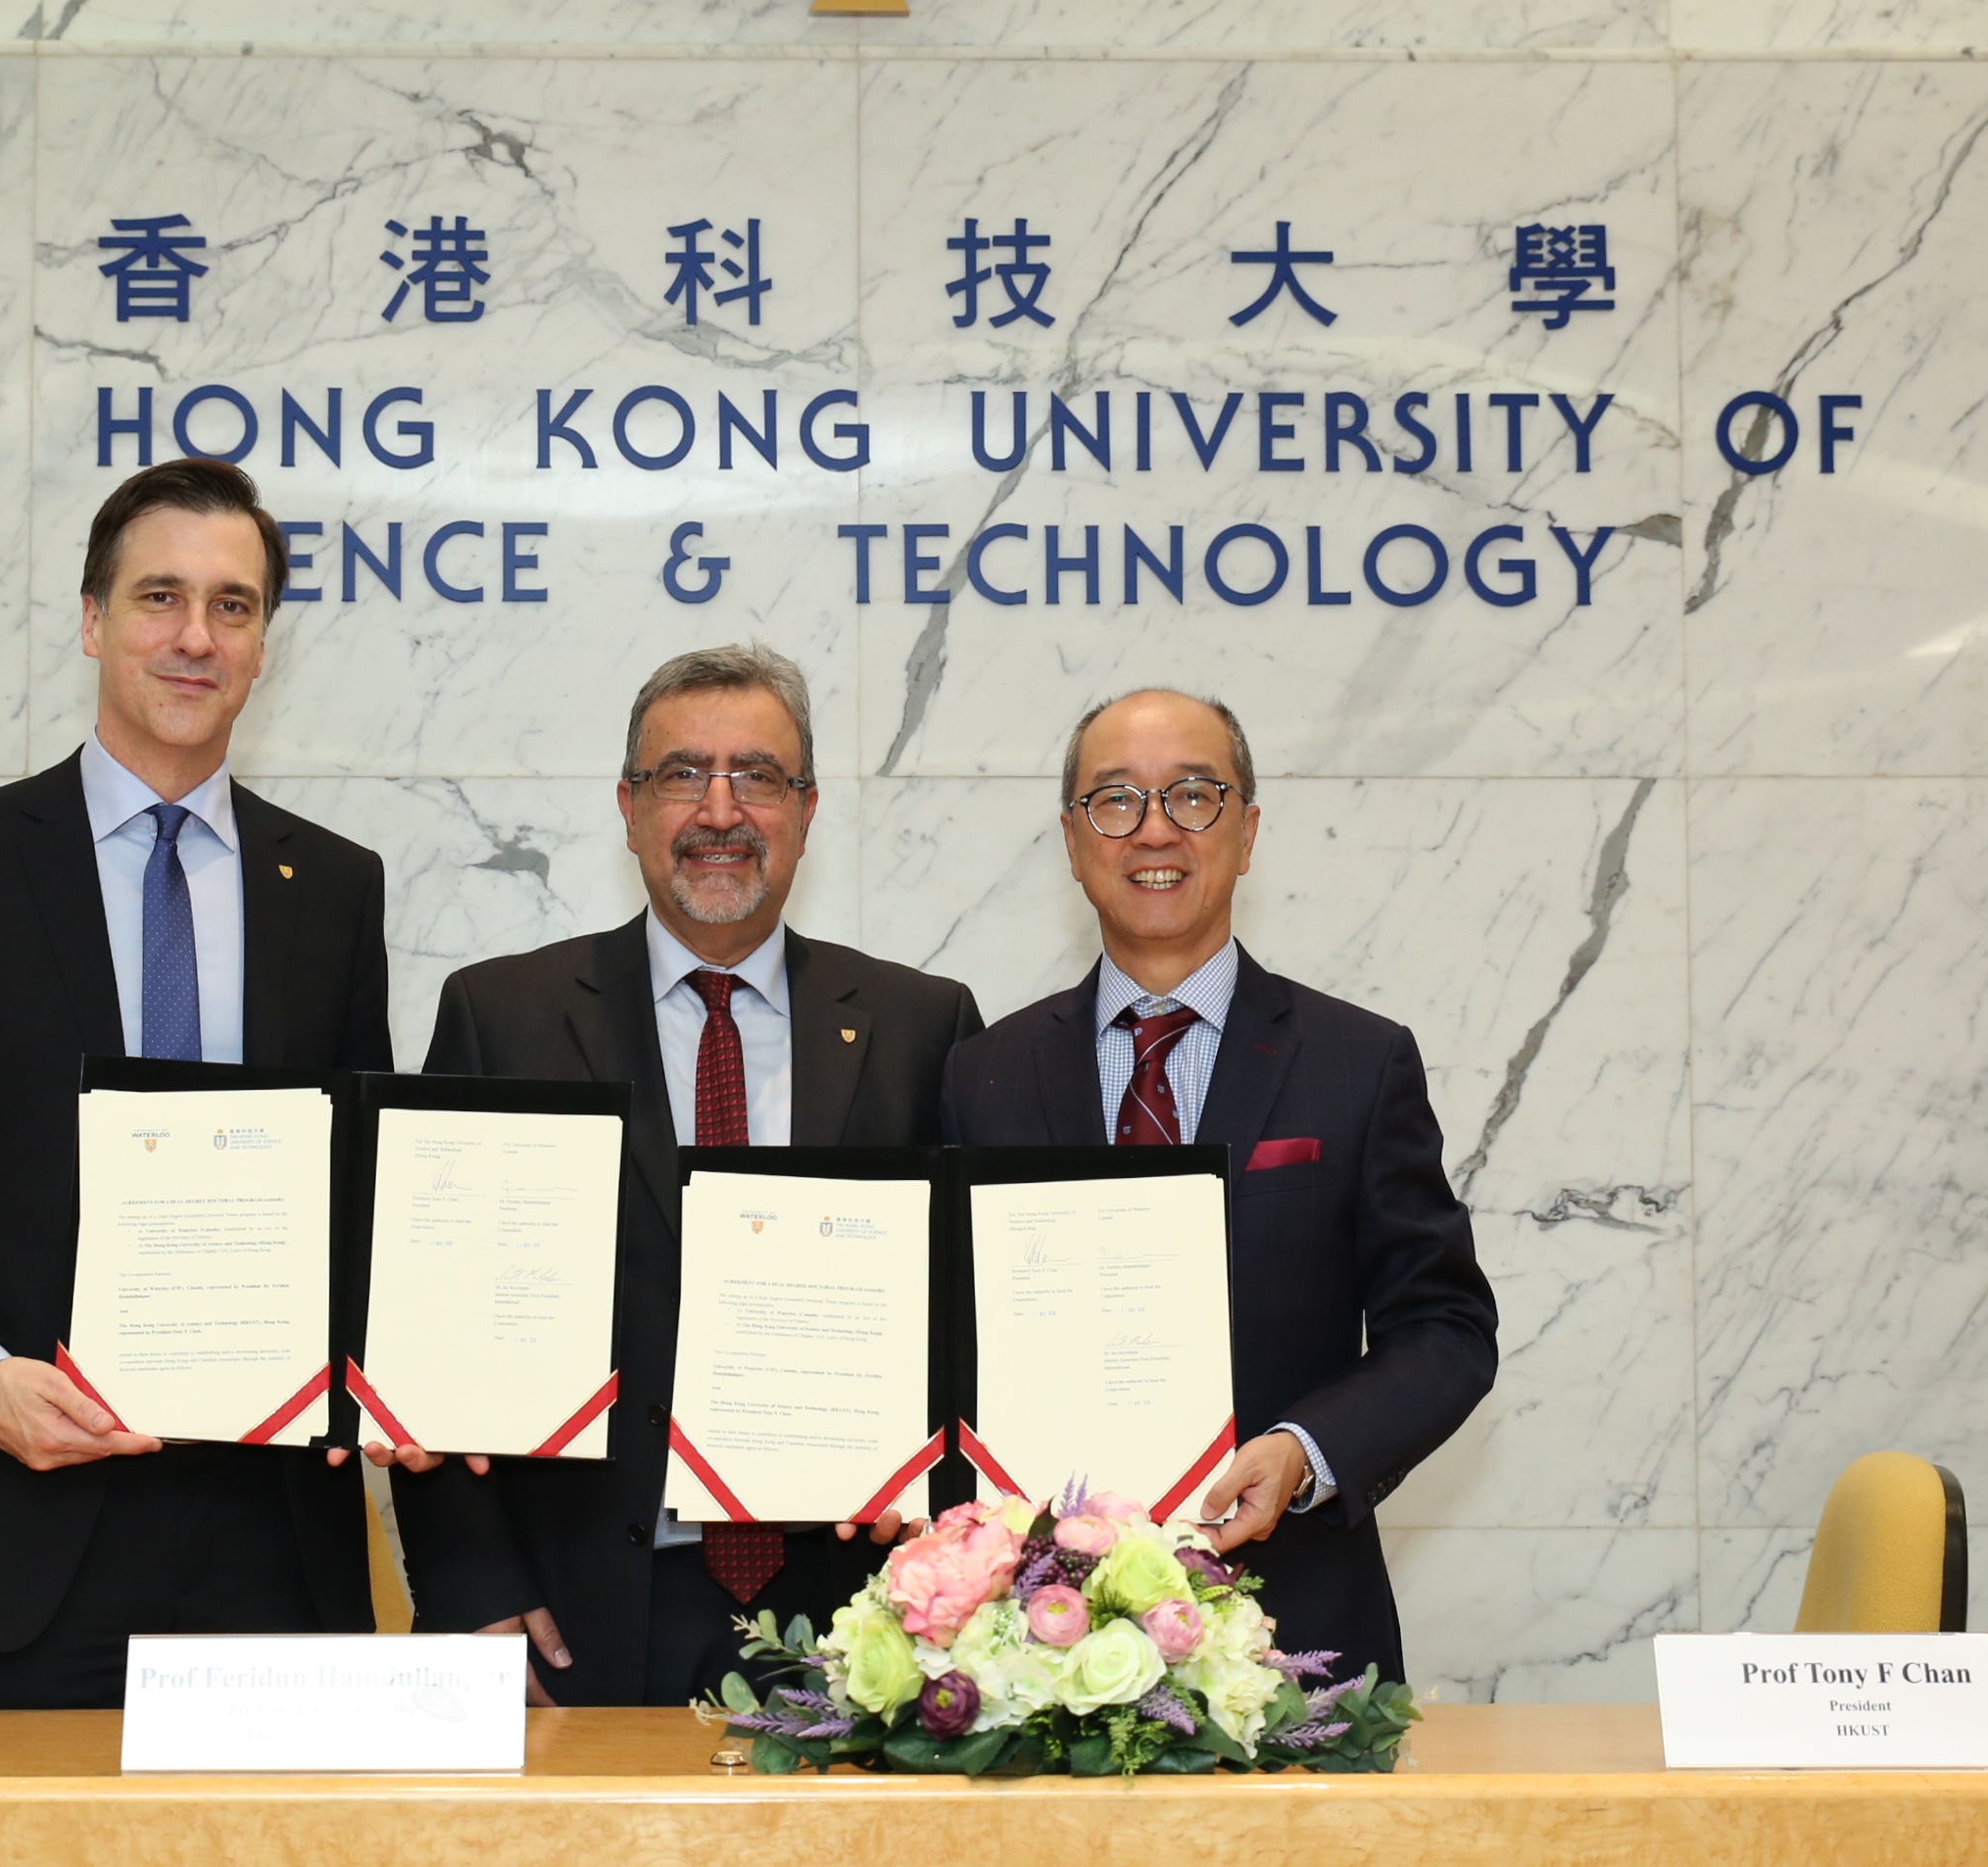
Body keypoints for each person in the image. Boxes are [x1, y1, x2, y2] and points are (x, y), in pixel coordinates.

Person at [0, 457, 406, 1708]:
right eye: (159, 596)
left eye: (233, 606)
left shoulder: (334, 887)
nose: (195, 636)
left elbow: (370, 1189)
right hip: (21, 1521)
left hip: (274, 1538)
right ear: (91, 619)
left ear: (263, 646)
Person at [405, 644, 984, 1705]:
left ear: (807, 810)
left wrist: (954, 1562)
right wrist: (470, 1583)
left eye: (757, 776)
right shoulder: (504, 1017)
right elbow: (430, 1333)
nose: (720, 811)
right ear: (628, 807)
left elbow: (970, 1332)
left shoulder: (922, 1026)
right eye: (682, 775)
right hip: (577, 1609)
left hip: (870, 1617)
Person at [941, 688, 1497, 1688]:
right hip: (1031, 1640)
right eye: (1116, 800)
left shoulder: (1357, 1062)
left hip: (1294, 1627)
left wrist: (1305, 1449)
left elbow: (1445, 1328)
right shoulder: (985, 1072)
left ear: (1246, 831)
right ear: (1072, 841)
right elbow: (945, 1342)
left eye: (1194, 795)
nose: (1155, 830)